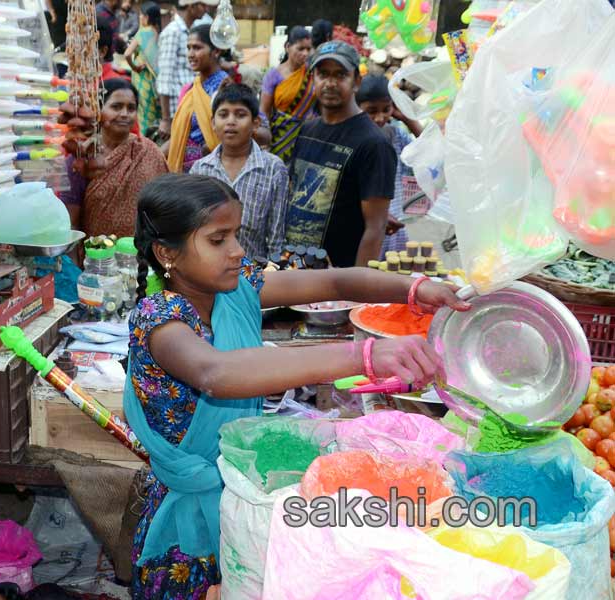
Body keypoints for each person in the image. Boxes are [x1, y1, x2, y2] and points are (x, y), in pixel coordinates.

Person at [126, 173, 468, 599]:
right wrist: (362, 356)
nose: (236, 251)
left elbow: (336, 282)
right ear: (166, 253)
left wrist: (416, 290)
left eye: (236, 235)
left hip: (241, 493)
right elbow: (215, 373)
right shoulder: (160, 319)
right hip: (186, 521)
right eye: (218, 240)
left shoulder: (238, 289)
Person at [284, 41, 397, 267]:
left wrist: (356, 290)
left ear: (356, 81)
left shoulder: (373, 144)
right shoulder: (308, 130)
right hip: (297, 269)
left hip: (339, 279)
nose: (330, 83)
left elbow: (375, 228)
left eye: (340, 75)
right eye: (323, 74)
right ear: (312, 78)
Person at [191, 84, 288, 261]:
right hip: (207, 272)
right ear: (213, 123)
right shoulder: (200, 169)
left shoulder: (273, 169)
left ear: (255, 123)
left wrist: (273, 272)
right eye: (223, 114)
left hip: (253, 275)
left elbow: (276, 238)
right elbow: (193, 230)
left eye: (240, 115)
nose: (231, 121)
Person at [61, 79, 168, 237]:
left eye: (131, 108)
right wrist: (73, 261)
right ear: (98, 110)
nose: (124, 114)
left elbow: (165, 205)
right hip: (97, 255)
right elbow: (71, 222)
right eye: (116, 107)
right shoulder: (83, 156)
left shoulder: (149, 151)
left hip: (143, 254)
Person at [356, 74, 425, 257]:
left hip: (394, 227)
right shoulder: (354, 139)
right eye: (372, 111)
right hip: (365, 224)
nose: (380, 118)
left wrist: (407, 118)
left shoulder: (395, 135)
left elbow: (426, 148)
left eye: (386, 110)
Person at [164, 24, 228, 172]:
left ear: (216, 51)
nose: (190, 54)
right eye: (188, 48)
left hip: (211, 172)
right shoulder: (191, 88)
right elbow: (179, 135)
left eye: (197, 48)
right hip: (184, 171)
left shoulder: (224, 87)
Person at [260, 26, 316, 162]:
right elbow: (264, 111)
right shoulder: (273, 75)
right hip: (280, 135)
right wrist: (264, 139)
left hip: (308, 133)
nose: (305, 53)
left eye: (308, 49)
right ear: (288, 47)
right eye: (300, 48)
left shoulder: (313, 72)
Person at [155, 0, 207, 140]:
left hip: (192, 105)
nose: (206, 8)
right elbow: (165, 76)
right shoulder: (173, 32)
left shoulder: (192, 30)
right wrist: (166, 119)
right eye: (203, 5)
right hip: (176, 108)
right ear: (192, 7)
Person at [125, 2, 163, 136]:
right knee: (154, 114)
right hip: (155, 82)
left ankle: (144, 143)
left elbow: (127, 54)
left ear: (147, 17)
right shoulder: (158, 32)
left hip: (142, 79)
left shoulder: (143, 32)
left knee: (144, 114)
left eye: (142, 14)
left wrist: (134, 67)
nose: (140, 17)